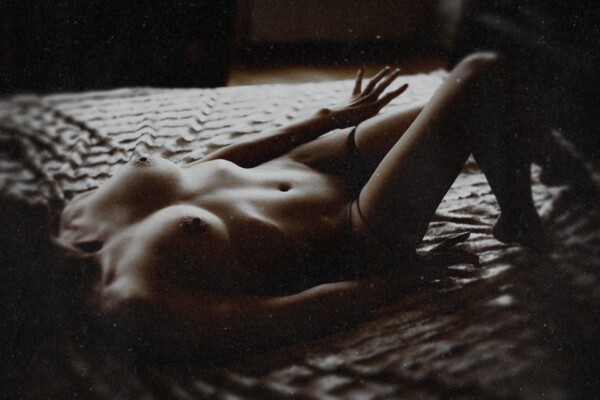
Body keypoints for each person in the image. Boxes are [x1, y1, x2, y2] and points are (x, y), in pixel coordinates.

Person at [54, 52, 544, 358]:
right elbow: (284, 316)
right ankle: (520, 221)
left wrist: (325, 119)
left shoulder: (74, 212)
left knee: (496, 89)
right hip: (353, 230)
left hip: (315, 159)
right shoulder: (130, 300)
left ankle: (553, 163)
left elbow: (206, 166)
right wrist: (406, 280)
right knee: (480, 78)